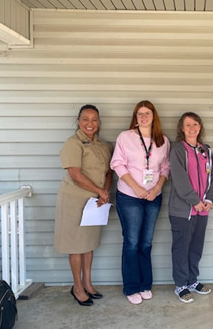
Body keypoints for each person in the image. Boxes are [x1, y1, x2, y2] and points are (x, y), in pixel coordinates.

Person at [110, 100, 170, 305]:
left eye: (147, 113)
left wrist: (157, 188)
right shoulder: (125, 137)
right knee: (132, 242)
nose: (143, 117)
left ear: (154, 116)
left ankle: (145, 284)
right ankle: (131, 287)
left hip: (153, 196)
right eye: (139, 113)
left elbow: (165, 168)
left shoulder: (162, 140)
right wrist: (136, 188)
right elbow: (117, 164)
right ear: (135, 117)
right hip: (129, 196)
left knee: (146, 242)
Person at [54, 104, 113, 306]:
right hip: (74, 199)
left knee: (88, 245)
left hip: (95, 202)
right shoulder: (73, 143)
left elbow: (109, 173)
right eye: (85, 119)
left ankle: (88, 283)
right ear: (78, 122)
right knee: (76, 246)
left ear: (99, 123)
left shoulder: (104, 146)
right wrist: (101, 191)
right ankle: (77, 287)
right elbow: (75, 174)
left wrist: (104, 193)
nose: (90, 123)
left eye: (94, 119)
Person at [168, 112, 213, 303]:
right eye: (187, 124)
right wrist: (194, 200)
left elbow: (212, 177)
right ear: (182, 128)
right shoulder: (178, 150)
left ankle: (192, 280)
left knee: (196, 247)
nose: (192, 128)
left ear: (200, 127)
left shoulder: (207, 150)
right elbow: (179, 179)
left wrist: (209, 200)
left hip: (202, 209)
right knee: (181, 247)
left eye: (195, 124)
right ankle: (181, 284)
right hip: (183, 210)